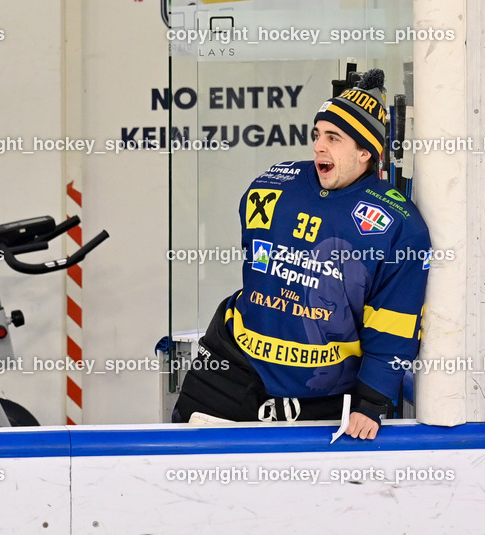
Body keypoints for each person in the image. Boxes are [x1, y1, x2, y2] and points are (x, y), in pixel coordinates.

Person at [173, 69, 431, 441]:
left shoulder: (400, 225)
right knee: (186, 468)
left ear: (365, 152)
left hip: (321, 391)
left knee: (296, 479)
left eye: (333, 138)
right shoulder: (273, 184)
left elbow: (395, 321)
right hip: (230, 367)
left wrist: (372, 399)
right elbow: (254, 256)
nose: (319, 147)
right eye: (317, 135)